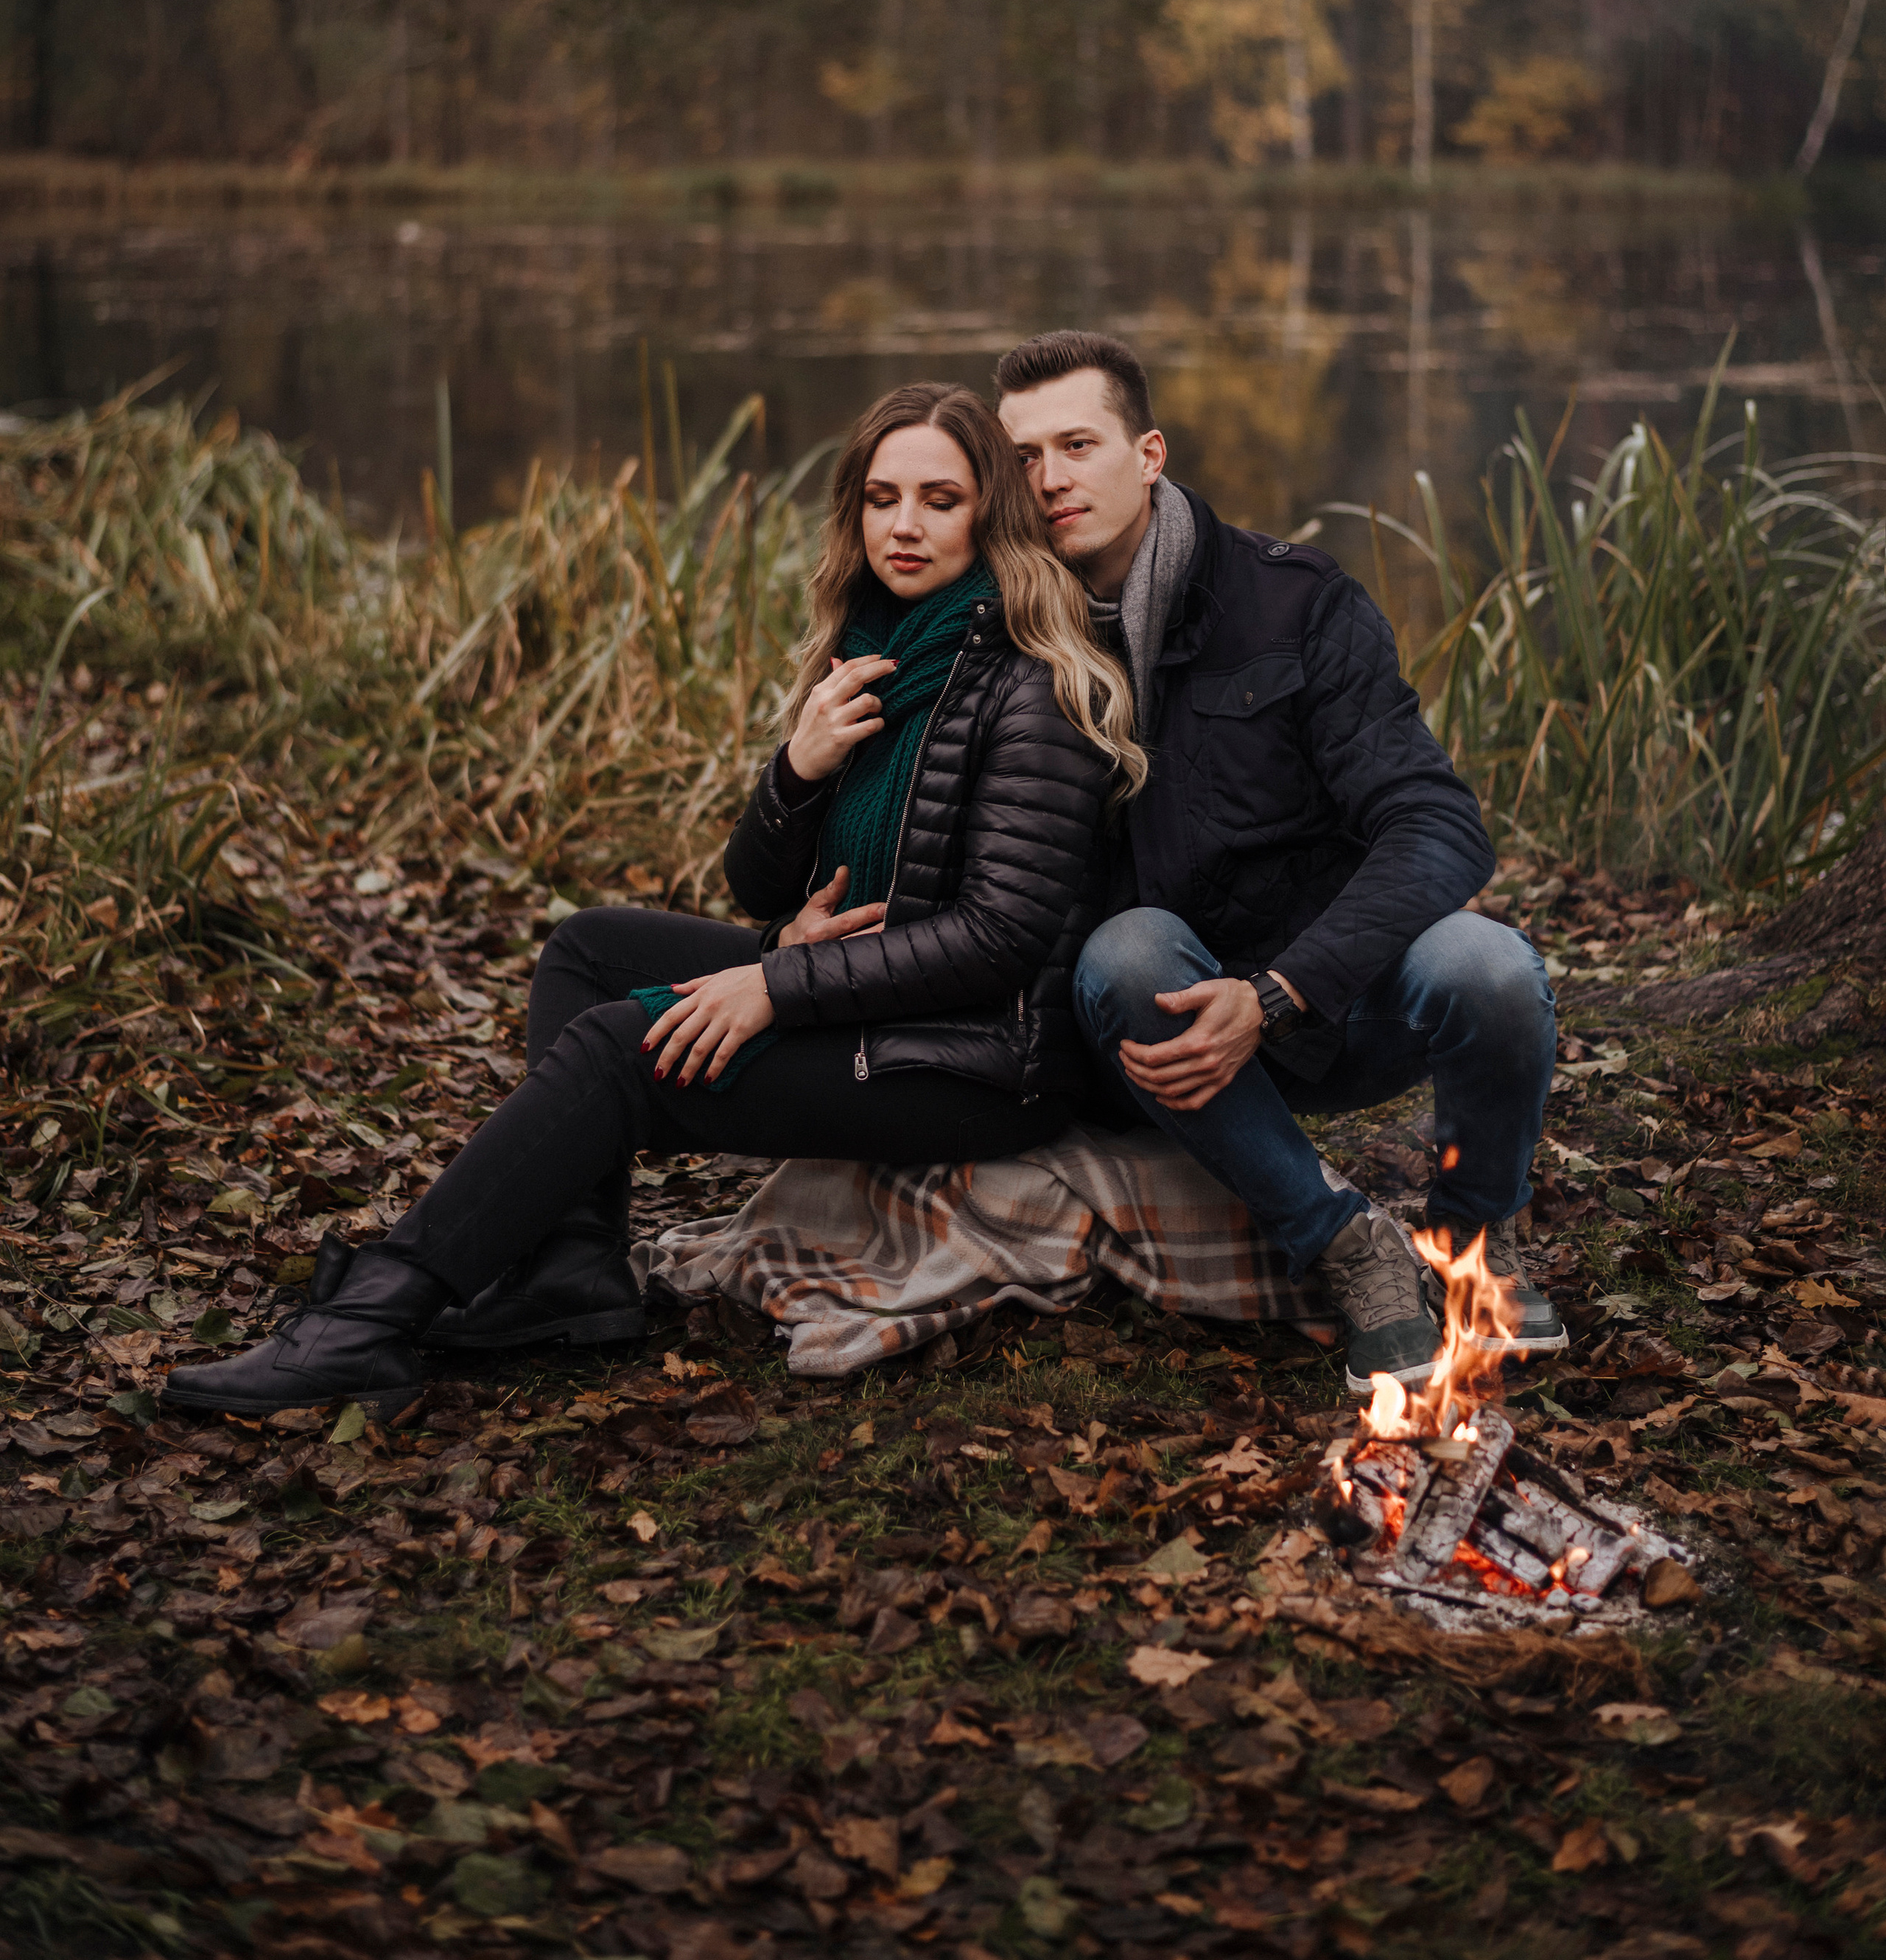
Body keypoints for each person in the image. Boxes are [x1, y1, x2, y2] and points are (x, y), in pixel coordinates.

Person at [162, 384, 1141, 1421]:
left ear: (990, 514)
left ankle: (371, 1318)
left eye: (940, 499)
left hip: (978, 1059)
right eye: (880, 495)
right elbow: (761, 889)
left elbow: (1001, 938)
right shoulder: (875, 656)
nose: (903, 525)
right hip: (875, 995)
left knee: (619, 1047)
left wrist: (779, 982)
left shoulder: (1037, 683)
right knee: (587, 951)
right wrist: (798, 770)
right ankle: (574, 1271)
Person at [992, 329, 1565, 1400]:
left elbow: (1439, 825)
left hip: (1344, 991)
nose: (1050, 478)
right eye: (1022, 456)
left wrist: (1283, 990)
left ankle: (1476, 1240)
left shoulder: (1293, 600)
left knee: (1490, 968)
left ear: (1149, 452)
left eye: (1077, 443)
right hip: (1173, 1030)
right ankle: (1349, 1246)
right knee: (1126, 951)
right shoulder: (1011, 635)